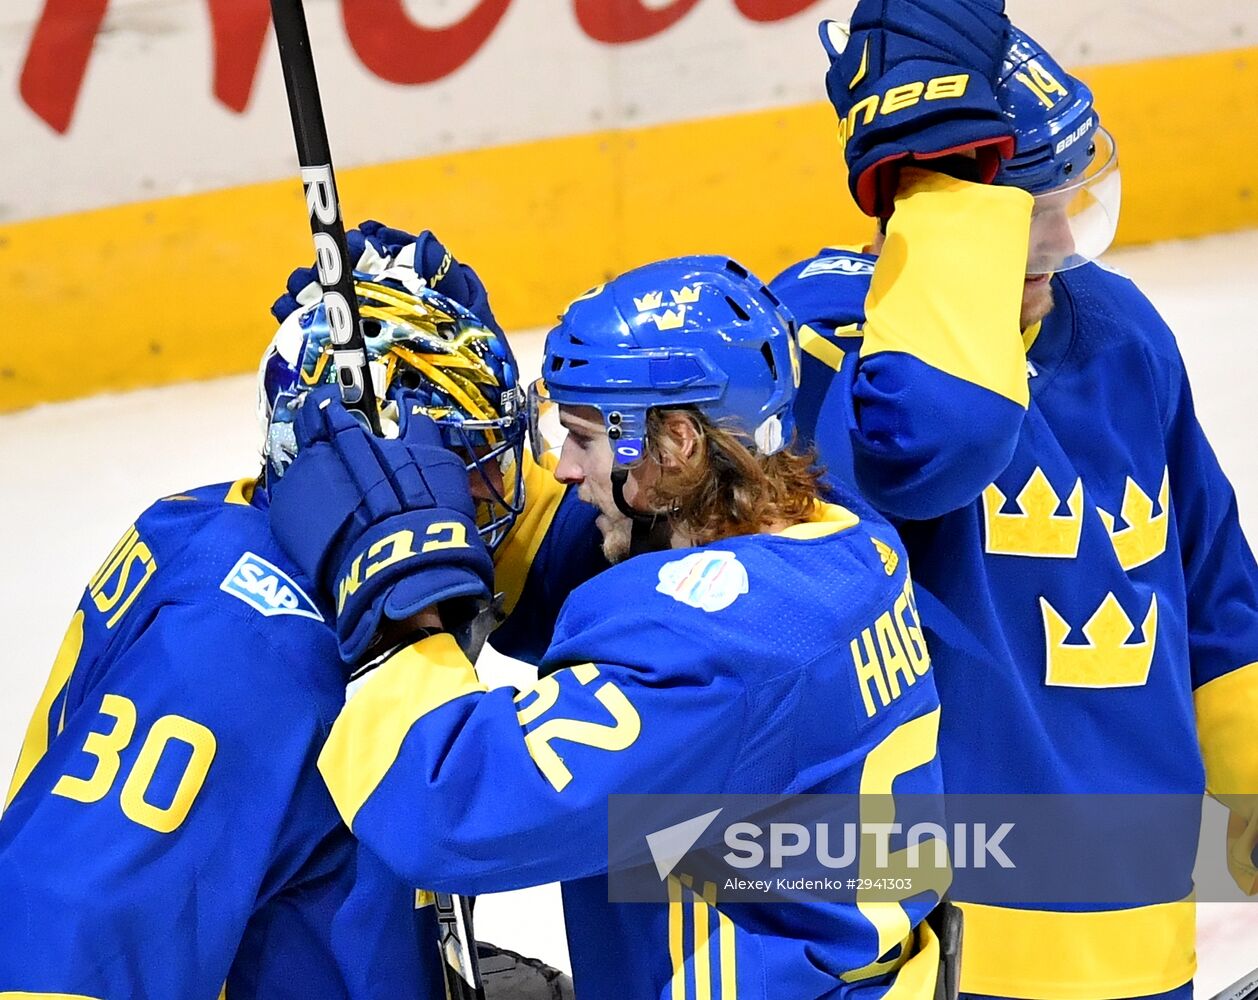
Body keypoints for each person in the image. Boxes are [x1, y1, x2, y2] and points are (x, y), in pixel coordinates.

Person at [266, 254, 952, 998]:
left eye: (584, 437)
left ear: (679, 442)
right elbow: (603, 578)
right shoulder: (845, 540)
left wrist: (396, 606)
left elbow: (451, 810)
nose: (564, 469)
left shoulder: (711, 655)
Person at [770, 11, 1258, 1000]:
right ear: (938, 210)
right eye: (1029, 210)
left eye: (1069, 199)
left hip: (1146, 928)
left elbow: (1212, 588)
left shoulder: (1121, 329)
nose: (1063, 241)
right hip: (945, 942)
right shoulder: (821, 354)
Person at [0, 227, 576, 998]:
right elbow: (61, 940)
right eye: (473, 459)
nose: (509, 483)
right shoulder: (240, 651)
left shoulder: (282, 533)